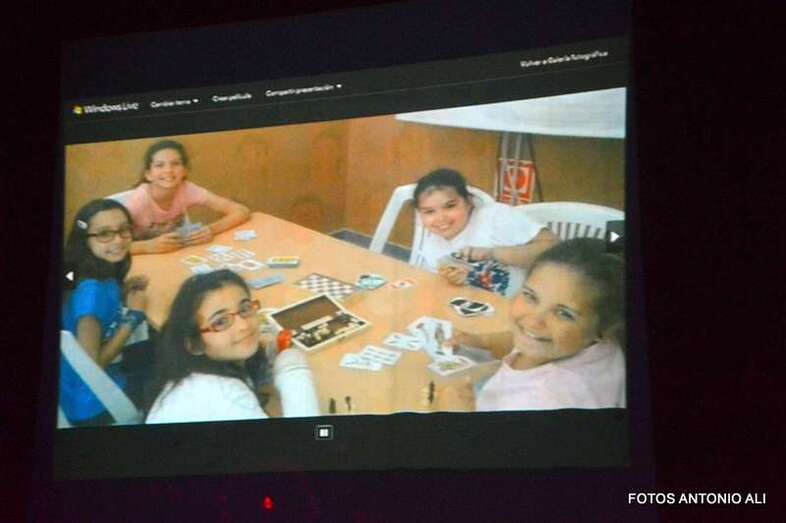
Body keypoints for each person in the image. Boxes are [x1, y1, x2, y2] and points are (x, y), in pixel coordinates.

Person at [438, 238, 625, 411]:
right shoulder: (581, 342)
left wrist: (459, 412)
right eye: (530, 296)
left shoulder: (545, 399)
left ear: (603, 330)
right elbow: (525, 340)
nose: (534, 321)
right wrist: (483, 341)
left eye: (564, 314)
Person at [61, 199, 151, 425]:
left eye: (124, 230)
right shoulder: (92, 293)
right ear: (84, 239)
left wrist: (122, 291)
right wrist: (134, 317)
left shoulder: (86, 269)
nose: (118, 240)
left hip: (73, 388)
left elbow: (90, 307)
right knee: (166, 361)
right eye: (104, 234)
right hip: (94, 403)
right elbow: (91, 367)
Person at [145, 270, 271, 423]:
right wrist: (290, 370)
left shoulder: (191, 370)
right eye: (220, 322)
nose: (243, 326)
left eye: (244, 309)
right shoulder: (227, 395)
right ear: (195, 345)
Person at [412, 168, 557, 297]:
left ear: (469, 202)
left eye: (450, 206)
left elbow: (554, 248)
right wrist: (455, 280)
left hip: (524, 306)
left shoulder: (495, 217)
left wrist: (494, 254)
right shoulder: (432, 244)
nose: (440, 218)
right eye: (429, 212)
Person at [125, 139, 250, 254]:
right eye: (159, 165)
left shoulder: (186, 189)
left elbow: (241, 211)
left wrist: (211, 230)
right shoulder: (138, 201)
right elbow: (113, 246)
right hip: (142, 257)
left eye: (175, 163)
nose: (168, 170)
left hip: (175, 253)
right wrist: (147, 246)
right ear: (148, 174)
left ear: (184, 171)